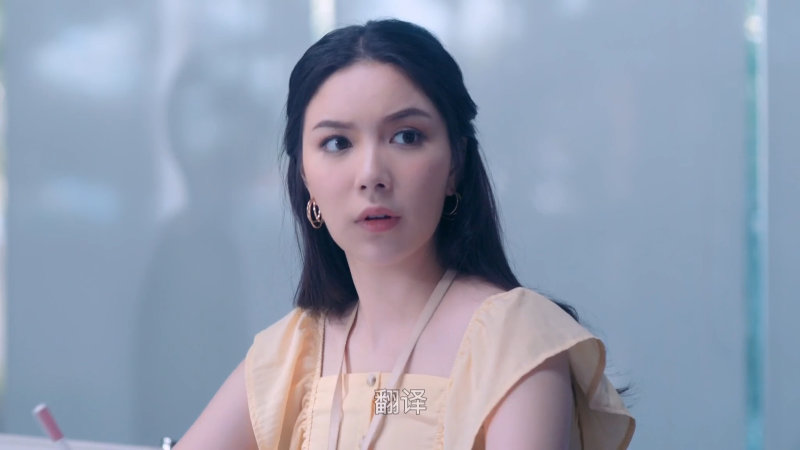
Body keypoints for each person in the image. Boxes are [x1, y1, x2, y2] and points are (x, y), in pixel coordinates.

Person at [174, 19, 635, 450]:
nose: (371, 175)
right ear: (305, 178)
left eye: (406, 137)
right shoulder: (295, 353)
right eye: (337, 143)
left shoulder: (514, 340)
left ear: (455, 163)